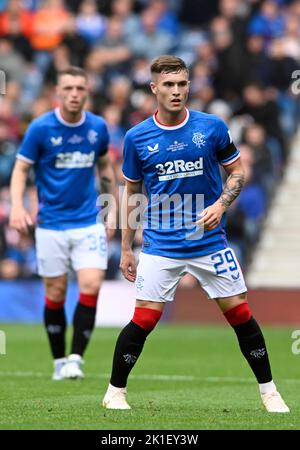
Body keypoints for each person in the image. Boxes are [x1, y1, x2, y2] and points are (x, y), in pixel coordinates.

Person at [102, 55, 289, 413]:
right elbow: (131, 195)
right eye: (169, 85)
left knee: (240, 314)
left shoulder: (212, 127)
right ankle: (115, 391)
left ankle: (269, 392)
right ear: (154, 88)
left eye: (182, 84)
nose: (176, 91)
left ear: (190, 85)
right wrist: (126, 248)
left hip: (209, 242)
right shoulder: (137, 137)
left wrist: (221, 205)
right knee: (144, 319)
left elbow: (237, 172)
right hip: (161, 242)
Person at [9, 66, 117, 380]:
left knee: (91, 285)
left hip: (87, 222)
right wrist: (17, 207)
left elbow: (105, 167)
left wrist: (112, 209)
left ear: (87, 92)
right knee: (55, 292)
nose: (74, 94)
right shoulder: (41, 128)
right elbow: (20, 170)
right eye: (68, 88)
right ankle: (58, 359)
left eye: (79, 89)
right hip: (51, 225)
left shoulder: (97, 127)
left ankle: (75, 358)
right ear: (58, 92)